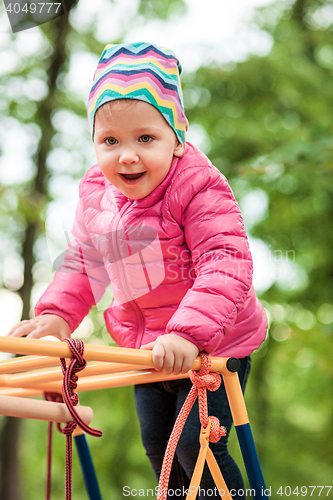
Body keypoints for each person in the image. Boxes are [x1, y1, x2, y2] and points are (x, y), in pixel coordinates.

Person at [8, 42, 267, 499]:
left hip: (213, 344)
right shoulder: (95, 195)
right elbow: (83, 263)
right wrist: (55, 317)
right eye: (110, 141)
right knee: (158, 450)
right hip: (147, 351)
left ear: (177, 138)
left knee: (195, 446)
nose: (126, 155)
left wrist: (187, 334)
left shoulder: (198, 186)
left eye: (145, 138)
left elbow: (225, 262)